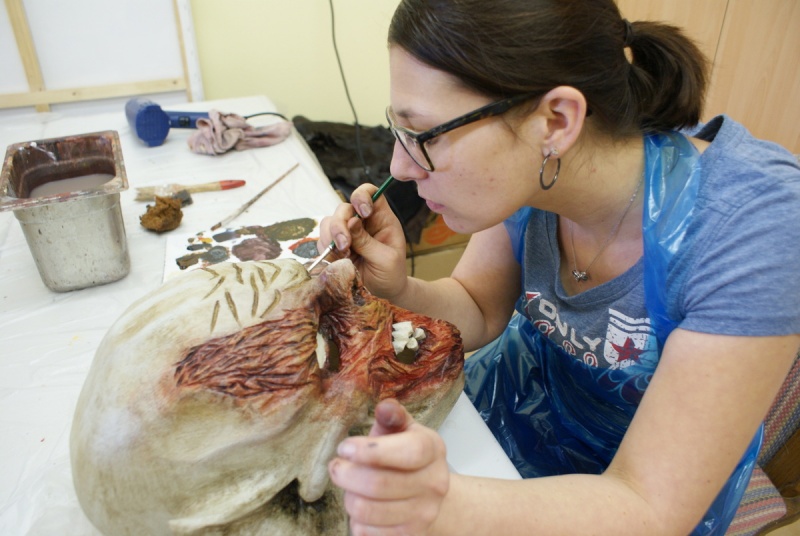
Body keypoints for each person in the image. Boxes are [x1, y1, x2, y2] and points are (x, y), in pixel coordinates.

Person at [318, 0, 800, 534]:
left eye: (425, 136)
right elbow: (478, 307)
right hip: (517, 415)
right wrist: (396, 285)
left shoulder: (754, 227)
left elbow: (649, 506)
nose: (399, 167)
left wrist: (446, 506)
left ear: (556, 121)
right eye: (400, 129)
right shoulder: (533, 170)